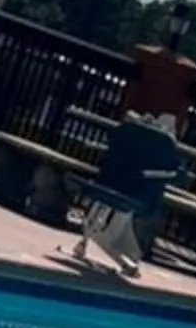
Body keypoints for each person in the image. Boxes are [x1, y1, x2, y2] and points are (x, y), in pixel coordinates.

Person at [62, 111, 181, 278]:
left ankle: (98, 248)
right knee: (105, 223)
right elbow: (175, 173)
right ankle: (93, 245)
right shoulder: (163, 145)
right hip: (129, 192)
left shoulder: (132, 133)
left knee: (107, 225)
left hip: (115, 187)